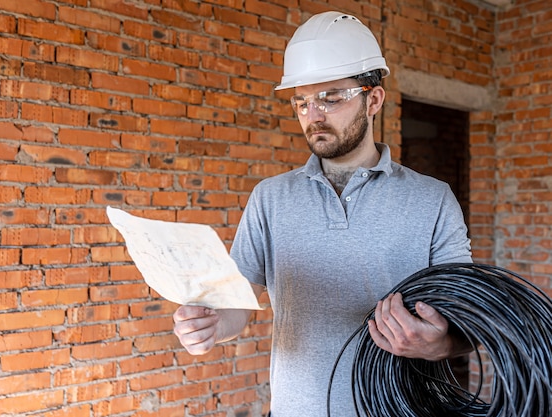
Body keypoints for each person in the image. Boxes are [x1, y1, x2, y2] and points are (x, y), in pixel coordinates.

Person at [173, 11, 472, 417]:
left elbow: (470, 321)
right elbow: (237, 303)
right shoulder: (270, 198)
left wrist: (439, 344)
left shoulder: (433, 200)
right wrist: (211, 326)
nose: (313, 115)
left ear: (374, 100)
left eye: (331, 98)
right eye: (301, 102)